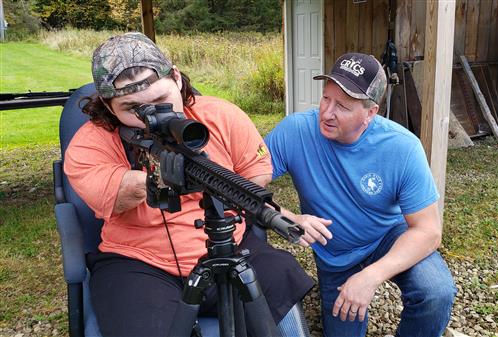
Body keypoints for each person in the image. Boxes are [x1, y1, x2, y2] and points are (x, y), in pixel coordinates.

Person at [64, 32, 313, 337]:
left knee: (280, 277)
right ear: (108, 105)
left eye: (160, 100)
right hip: (138, 261)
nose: (150, 117)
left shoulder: (222, 115)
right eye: (133, 109)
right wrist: (158, 174)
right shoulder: (89, 144)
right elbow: (115, 195)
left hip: (228, 245)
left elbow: (254, 174)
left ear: (177, 79)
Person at [265, 53, 457, 337]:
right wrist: (289, 218)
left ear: (370, 113)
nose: (327, 113)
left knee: (436, 291)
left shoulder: (402, 147)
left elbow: (428, 231)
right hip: (336, 251)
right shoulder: (296, 131)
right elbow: (240, 184)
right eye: (326, 99)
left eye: (342, 106)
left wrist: (371, 276)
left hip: (387, 237)